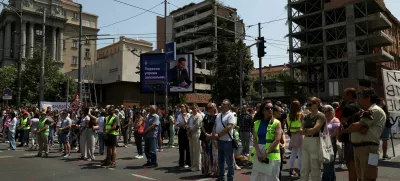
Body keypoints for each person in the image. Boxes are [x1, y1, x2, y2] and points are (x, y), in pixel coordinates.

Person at [342, 88, 386, 181]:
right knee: (362, 177)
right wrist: (356, 127)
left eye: (360, 98)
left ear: (368, 98)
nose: (358, 100)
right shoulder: (365, 111)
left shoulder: (375, 110)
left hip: (369, 148)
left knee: (369, 176)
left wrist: (347, 130)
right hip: (361, 148)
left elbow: (356, 126)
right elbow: (356, 126)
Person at [250, 102, 282, 181]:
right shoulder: (256, 123)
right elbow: (254, 139)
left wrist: (265, 153)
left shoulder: (277, 123)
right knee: (257, 178)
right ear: (262, 111)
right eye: (267, 108)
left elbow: (277, 139)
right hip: (259, 152)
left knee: (272, 178)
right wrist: (258, 153)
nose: (270, 110)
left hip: (272, 154)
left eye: (272, 108)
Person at [299, 97, 326, 181]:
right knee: (304, 167)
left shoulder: (320, 115)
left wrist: (306, 131)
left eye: (310, 104)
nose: (308, 107)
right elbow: (300, 130)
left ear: (317, 104)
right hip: (306, 140)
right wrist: (307, 131)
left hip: (315, 140)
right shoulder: (307, 116)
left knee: (315, 167)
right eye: (307, 105)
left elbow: (315, 129)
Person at [338, 88, 359, 181]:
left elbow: (343, 123)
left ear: (350, 95)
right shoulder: (361, 106)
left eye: (345, 94)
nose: (343, 96)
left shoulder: (347, 108)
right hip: (362, 139)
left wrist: (342, 131)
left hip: (349, 139)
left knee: (351, 165)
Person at [214, 99, 235, 181]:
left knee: (229, 161)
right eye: (222, 104)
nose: (222, 105)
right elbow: (215, 125)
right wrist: (214, 134)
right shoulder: (219, 115)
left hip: (227, 141)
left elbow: (229, 127)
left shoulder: (230, 115)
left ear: (228, 106)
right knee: (220, 160)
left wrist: (219, 135)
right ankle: (221, 177)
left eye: (224, 104)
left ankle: (230, 178)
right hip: (220, 141)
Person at [322, 105, 341, 181]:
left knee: (328, 163)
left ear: (330, 112)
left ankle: (325, 179)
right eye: (324, 111)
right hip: (324, 142)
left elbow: (336, 132)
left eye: (326, 111)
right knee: (328, 164)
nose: (324, 113)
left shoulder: (335, 120)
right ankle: (332, 179)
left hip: (331, 142)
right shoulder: (324, 120)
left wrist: (328, 138)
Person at [286, 100, 304, 177]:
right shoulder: (301, 115)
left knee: (293, 153)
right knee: (300, 154)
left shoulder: (289, 115)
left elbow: (288, 126)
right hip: (300, 134)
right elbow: (303, 124)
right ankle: (300, 170)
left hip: (293, 135)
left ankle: (291, 169)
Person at [201, 103, 218, 177]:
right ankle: (206, 171)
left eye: (211, 107)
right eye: (208, 108)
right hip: (205, 137)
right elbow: (202, 126)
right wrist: (206, 134)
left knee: (214, 155)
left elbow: (217, 127)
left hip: (214, 138)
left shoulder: (218, 117)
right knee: (206, 155)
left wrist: (211, 134)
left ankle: (215, 171)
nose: (210, 109)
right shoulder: (206, 116)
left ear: (215, 108)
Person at [188, 104, 203, 172]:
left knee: (197, 150)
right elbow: (188, 124)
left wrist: (190, 130)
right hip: (191, 134)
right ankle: (193, 165)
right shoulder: (191, 116)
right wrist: (188, 130)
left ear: (197, 108)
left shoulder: (199, 116)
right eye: (192, 108)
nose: (193, 109)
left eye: (194, 108)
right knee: (191, 150)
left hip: (196, 133)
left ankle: (197, 166)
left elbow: (197, 125)